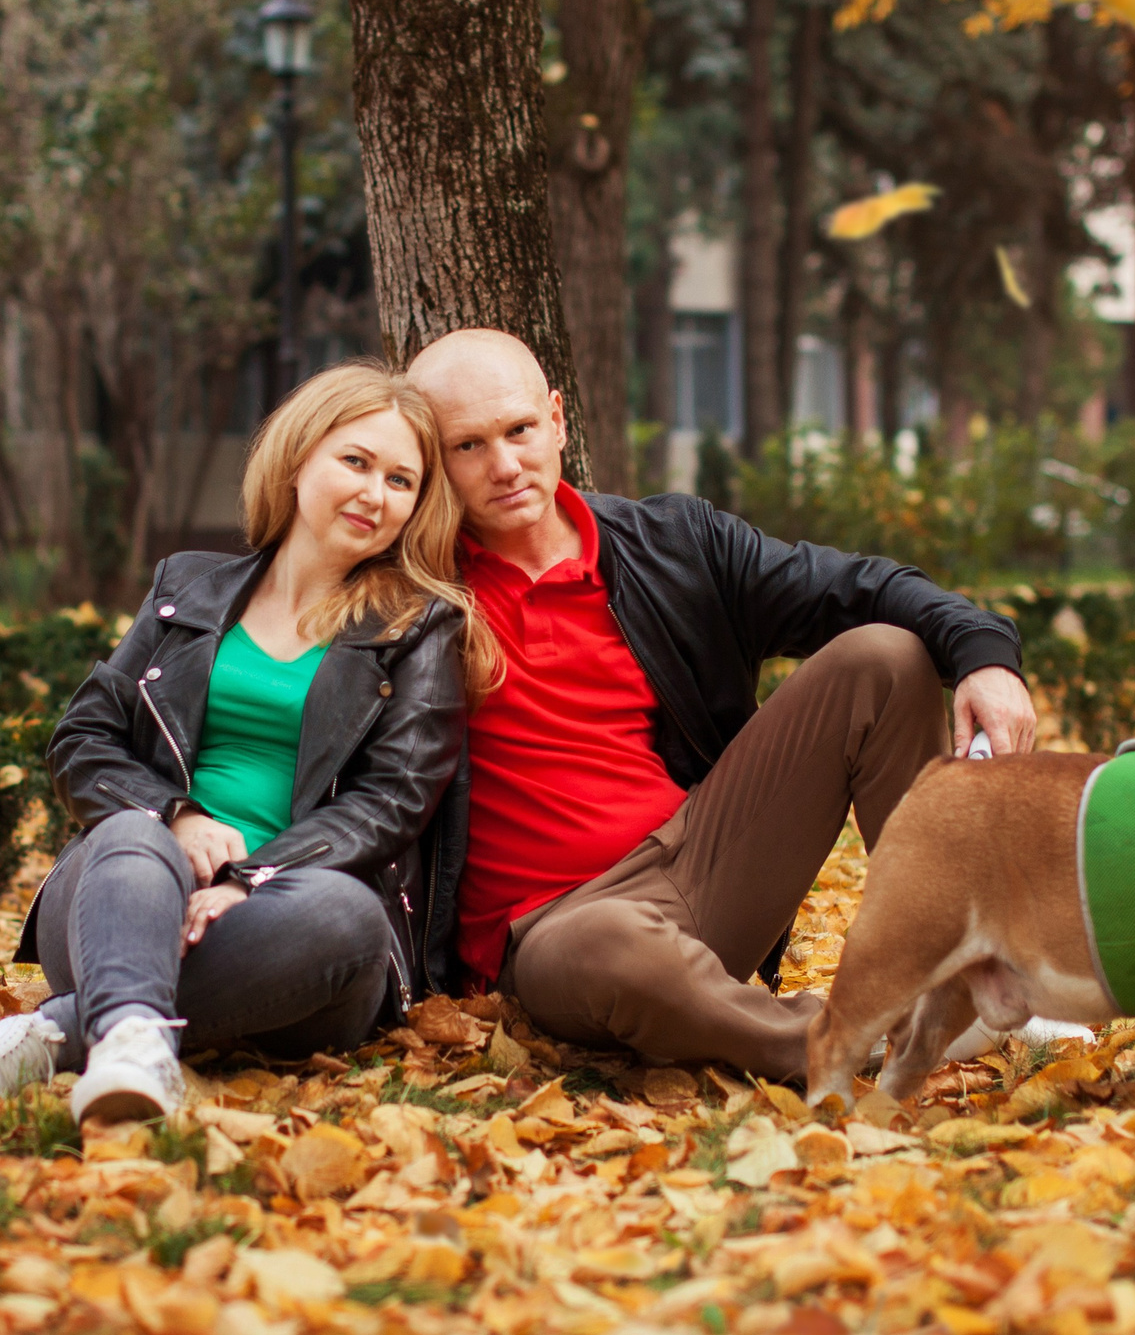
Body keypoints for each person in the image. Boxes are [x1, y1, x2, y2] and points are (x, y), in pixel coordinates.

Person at [407, 327, 1038, 1083]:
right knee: (613, 944)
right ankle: (849, 1037)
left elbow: (858, 586)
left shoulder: (672, 544)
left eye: (518, 431)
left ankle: (970, 973)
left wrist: (984, 655)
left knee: (885, 657)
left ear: (558, 418)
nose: (505, 466)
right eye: (468, 447)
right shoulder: (409, 592)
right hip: (559, 931)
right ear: (432, 461)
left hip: (702, 858)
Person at [0, 363, 494, 1123]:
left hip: (293, 928)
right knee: (131, 831)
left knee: (348, 917)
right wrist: (177, 818)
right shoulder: (186, 588)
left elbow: (392, 803)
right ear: (300, 458)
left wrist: (250, 878)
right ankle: (130, 1037)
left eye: (402, 480)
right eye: (356, 462)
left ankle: (77, 1033)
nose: (375, 494)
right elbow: (83, 737)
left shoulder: (416, 628)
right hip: (126, 897)